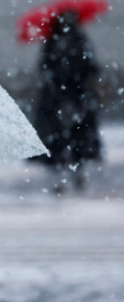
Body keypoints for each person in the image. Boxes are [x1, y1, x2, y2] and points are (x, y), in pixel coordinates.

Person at [31, 11, 102, 193]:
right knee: (77, 137)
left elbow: (45, 68)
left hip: (58, 98)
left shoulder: (53, 41)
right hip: (76, 96)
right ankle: (74, 174)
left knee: (60, 138)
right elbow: (91, 67)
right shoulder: (79, 40)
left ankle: (63, 176)